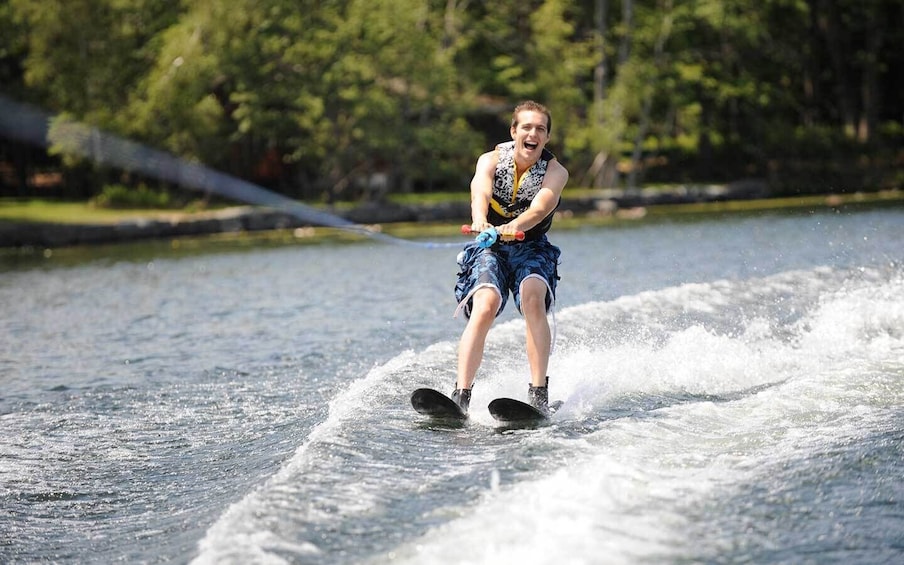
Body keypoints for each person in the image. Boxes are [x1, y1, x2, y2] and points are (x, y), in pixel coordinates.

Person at [452, 100, 569, 415]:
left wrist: (511, 227)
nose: (533, 134)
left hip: (532, 246)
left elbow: (540, 208)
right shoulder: (490, 160)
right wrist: (480, 220)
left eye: (540, 129)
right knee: (486, 303)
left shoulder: (556, 172)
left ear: (546, 138)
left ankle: (538, 396)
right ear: (514, 131)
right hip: (490, 247)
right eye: (527, 127)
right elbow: (481, 192)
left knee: (532, 297)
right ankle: (461, 395)